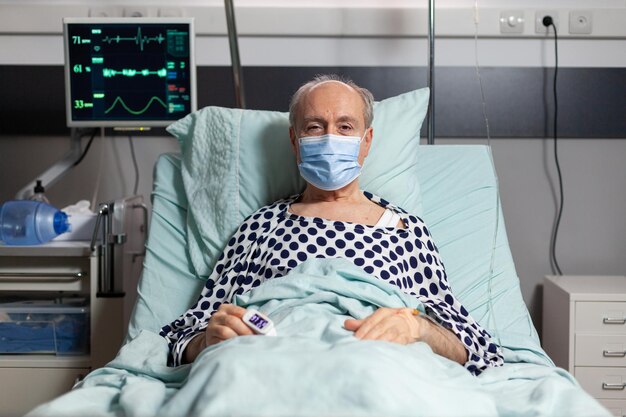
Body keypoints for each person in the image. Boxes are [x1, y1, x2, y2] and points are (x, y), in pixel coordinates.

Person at [161, 74, 503, 375]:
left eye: (345, 127)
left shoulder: (404, 229)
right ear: (295, 143)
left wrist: (418, 328)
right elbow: (183, 335)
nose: (329, 138)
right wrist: (206, 340)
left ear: (366, 142)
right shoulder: (260, 226)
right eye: (314, 127)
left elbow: (473, 349)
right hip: (268, 362)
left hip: (375, 361)